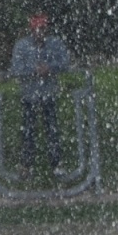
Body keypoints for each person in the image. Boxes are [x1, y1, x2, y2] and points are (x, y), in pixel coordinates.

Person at [8, 12, 71, 176]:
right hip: (29, 95)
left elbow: (65, 63)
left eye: (42, 29)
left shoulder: (55, 44)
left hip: (48, 94)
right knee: (28, 130)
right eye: (36, 29)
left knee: (52, 129)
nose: (39, 33)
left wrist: (50, 68)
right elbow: (16, 69)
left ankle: (56, 163)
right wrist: (33, 71)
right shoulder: (22, 46)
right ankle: (26, 164)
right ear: (31, 29)